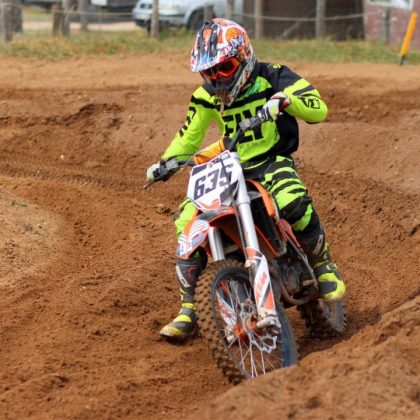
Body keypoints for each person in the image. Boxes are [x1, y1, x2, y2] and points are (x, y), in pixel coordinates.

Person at [146, 18, 346, 339]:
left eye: (224, 68)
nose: (217, 77)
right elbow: (188, 136)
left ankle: (323, 266)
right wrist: (164, 163)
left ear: (244, 56)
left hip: (270, 160)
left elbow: (318, 108)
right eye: (209, 72)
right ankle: (190, 307)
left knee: (292, 199)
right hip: (229, 165)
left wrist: (285, 101)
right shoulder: (206, 95)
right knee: (187, 221)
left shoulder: (274, 76)